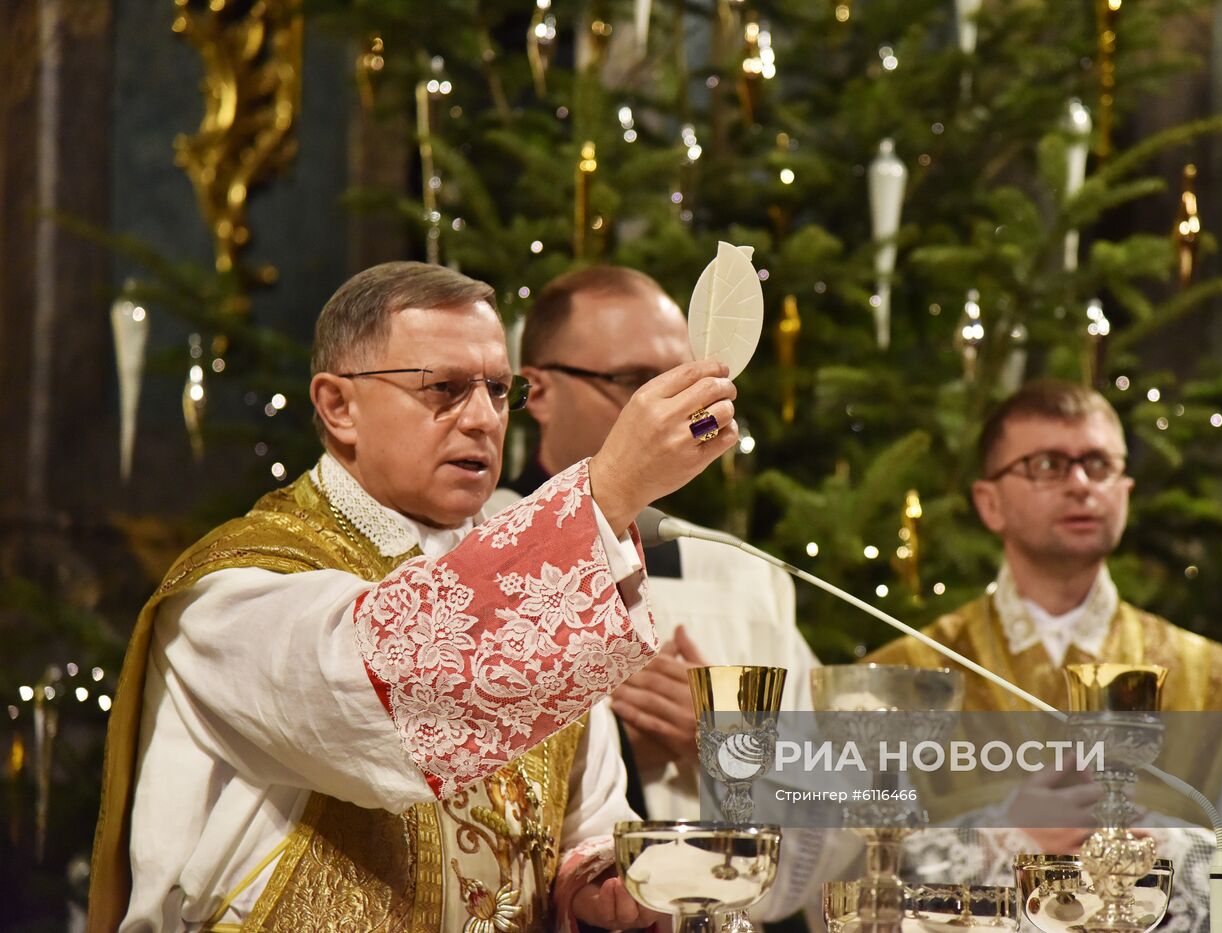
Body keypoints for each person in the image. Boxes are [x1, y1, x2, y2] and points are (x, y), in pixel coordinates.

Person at [88, 261, 741, 932]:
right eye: (445, 388)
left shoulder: (547, 591)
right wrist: (609, 490)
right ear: (339, 406)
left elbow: (591, 820)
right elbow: (403, 684)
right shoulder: (235, 591)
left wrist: (595, 882)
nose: (483, 418)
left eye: (497, 389)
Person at [867, 379, 1222, 933]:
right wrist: (1001, 837)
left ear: (1125, 489)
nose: (1080, 485)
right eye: (1047, 465)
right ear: (990, 503)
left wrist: (1164, 849)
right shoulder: (896, 684)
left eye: (1099, 465)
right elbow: (840, 889)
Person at [498, 265, 834, 922]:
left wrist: (731, 750)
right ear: (538, 391)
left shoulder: (740, 574)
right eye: (634, 383)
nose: (675, 410)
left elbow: (840, 811)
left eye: (684, 384)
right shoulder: (479, 549)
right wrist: (598, 740)